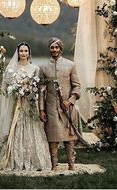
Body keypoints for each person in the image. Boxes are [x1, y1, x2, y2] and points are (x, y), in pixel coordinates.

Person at [0, 42, 51, 171]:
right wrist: (17, 91)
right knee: (16, 128)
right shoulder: (11, 70)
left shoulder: (35, 69)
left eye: (26, 51)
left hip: (30, 104)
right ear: (18, 52)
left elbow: (38, 89)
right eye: (21, 51)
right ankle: (16, 161)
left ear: (29, 53)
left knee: (33, 129)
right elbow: (7, 90)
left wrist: (29, 91)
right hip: (17, 106)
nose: (24, 53)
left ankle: (35, 160)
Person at [39, 37, 81, 171]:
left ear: (61, 49)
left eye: (57, 47)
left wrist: (70, 101)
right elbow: (40, 91)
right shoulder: (44, 67)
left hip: (67, 107)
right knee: (53, 137)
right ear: (49, 49)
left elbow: (77, 86)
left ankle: (71, 165)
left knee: (69, 137)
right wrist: (41, 109)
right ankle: (54, 166)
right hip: (50, 106)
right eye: (52, 47)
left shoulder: (70, 65)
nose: (54, 50)